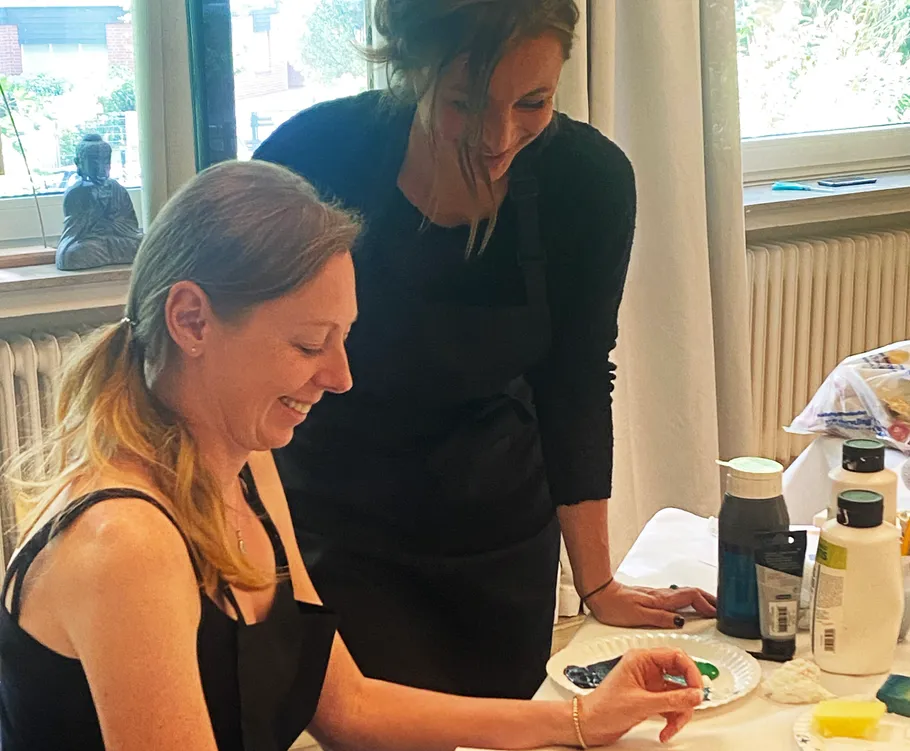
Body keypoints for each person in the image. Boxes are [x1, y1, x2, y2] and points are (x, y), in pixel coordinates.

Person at [0, 160, 704, 751]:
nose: (340, 377)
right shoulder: (126, 543)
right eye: (309, 344)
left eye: (344, 339)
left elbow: (347, 704)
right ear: (191, 319)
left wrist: (580, 719)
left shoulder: (245, 463)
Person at [254, 0, 716, 700]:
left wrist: (596, 580)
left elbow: (578, 379)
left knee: (505, 723)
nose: (498, 137)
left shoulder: (586, 183)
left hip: (499, 535)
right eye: (464, 103)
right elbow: (247, 367)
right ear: (411, 67)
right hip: (338, 528)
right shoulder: (316, 155)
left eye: (534, 101)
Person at [56, 134, 143, 271]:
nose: (101, 168)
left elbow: (130, 223)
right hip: (90, 242)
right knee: (73, 254)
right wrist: (94, 216)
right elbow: (74, 228)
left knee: (144, 244)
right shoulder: (75, 193)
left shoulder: (116, 188)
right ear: (79, 163)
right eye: (94, 162)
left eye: (105, 162)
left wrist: (111, 225)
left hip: (118, 240)